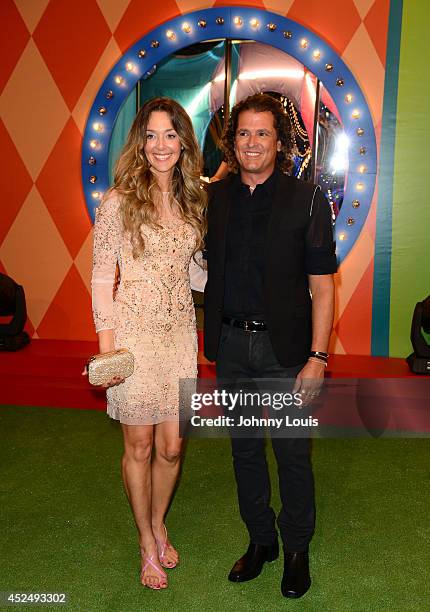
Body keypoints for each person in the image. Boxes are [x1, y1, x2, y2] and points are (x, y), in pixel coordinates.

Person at [203, 93, 336, 599]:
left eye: (262, 133)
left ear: (279, 142)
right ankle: (262, 541)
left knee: (292, 454)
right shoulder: (217, 201)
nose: (252, 142)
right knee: (245, 453)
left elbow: (322, 286)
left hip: (286, 354)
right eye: (243, 133)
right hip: (231, 346)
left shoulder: (306, 199)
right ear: (231, 143)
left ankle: (297, 548)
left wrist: (318, 357)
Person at [90, 97, 206, 590]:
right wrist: (109, 348)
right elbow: (101, 277)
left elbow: (196, 271)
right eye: (152, 135)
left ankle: (160, 522)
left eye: (171, 135)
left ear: (183, 142)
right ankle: (146, 539)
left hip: (180, 335)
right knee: (138, 445)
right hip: (133, 335)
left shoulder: (195, 199)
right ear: (141, 141)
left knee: (173, 447)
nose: (161, 145)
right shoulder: (117, 201)